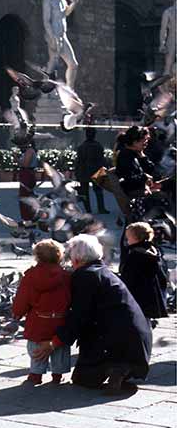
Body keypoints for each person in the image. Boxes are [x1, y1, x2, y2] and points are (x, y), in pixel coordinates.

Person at [33, 234, 152, 394]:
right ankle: (120, 368)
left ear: (77, 258)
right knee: (84, 375)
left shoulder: (85, 275)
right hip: (134, 340)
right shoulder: (101, 270)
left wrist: (55, 342)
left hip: (116, 341)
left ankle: (118, 367)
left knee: (83, 380)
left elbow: (79, 315)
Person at [13, 240, 72, 385]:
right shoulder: (66, 276)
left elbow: (23, 297)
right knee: (60, 346)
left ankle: (36, 374)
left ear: (37, 257)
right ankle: (57, 374)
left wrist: (18, 312)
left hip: (38, 320)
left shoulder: (31, 276)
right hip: (60, 319)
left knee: (36, 346)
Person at [119, 222, 169, 326]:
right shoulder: (152, 250)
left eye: (128, 237)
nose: (127, 240)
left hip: (139, 296)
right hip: (151, 295)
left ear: (136, 237)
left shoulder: (136, 254)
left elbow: (129, 277)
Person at [74, 127, 109, 214]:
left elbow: (78, 161)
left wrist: (77, 173)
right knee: (98, 191)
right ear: (94, 135)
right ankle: (101, 208)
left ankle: (88, 210)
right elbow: (102, 160)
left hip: (83, 171)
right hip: (96, 170)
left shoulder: (81, 147)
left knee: (85, 192)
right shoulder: (98, 146)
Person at [17, 138, 39, 222]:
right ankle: (30, 216)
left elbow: (25, 164)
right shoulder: (29, 151)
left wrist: (17, 159)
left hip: (27, 175)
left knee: (25, 196)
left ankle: (29, 217)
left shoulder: (29, 151)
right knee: (26, 196)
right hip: (27, 175)